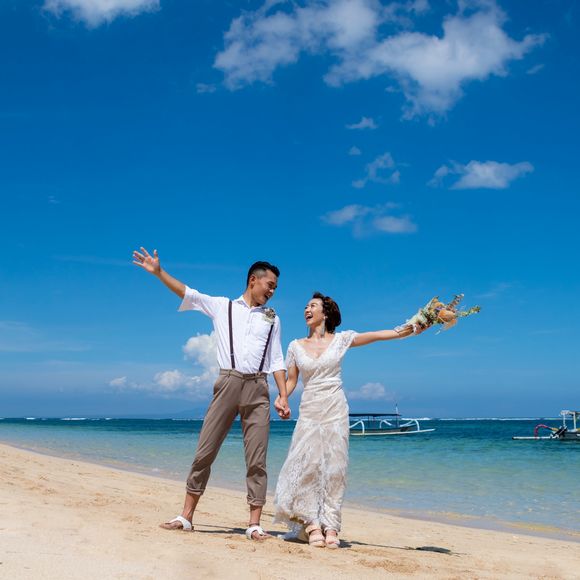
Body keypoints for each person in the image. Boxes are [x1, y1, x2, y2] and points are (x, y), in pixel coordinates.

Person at [132, 247, 291, 541]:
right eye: (270, 285)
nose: (272, 292)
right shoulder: (222, 306)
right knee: (205, 451)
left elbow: (277, 359)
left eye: (275, 288)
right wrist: (159, 273)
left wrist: (283, 395)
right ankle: (186, 516)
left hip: (259, 388)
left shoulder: (273, 318)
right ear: (253, 280)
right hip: (228, 383)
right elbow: (188, 294)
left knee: (257, 459)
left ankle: (254, 524)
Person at [273, 292, 426, 548]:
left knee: (335, 468)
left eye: (312, 306)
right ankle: (311, 524)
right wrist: (282, 398)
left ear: (325, 313)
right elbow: (291, 380)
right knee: (308, 465)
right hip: (310, 409)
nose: (307, 310)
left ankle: (331, 525)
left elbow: (379, 335)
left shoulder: (342, 339)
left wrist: (413, 328)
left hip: (335, 408)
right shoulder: (295, 346)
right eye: (306, 306)